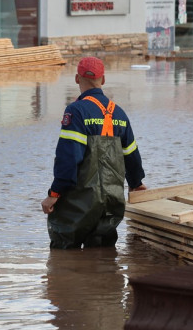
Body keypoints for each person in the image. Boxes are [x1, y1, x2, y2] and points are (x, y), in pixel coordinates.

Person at [41, 56, 146, 248]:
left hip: (79, 202)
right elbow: (131, 154)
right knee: (103, 253)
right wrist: (136, 183)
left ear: (77, 78)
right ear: (103, 80)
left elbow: (69, 157)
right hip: (112, 201)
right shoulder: (119, 114)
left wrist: (54, 193)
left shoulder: (76, 111)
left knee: (64, 255)